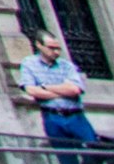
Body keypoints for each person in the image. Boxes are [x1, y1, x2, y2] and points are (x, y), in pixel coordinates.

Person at [17, 27, 104, 155]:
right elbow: (31, 90)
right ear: (39, 45)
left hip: (76, 117)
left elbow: (74, 90)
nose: (56, 52)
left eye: (58, 48)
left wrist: (45, 87)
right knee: (67, 159)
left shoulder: (67, 66)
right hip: (52, 117)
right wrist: (61, 90)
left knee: (94, 156)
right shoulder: (29, 64)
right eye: (51, 48)